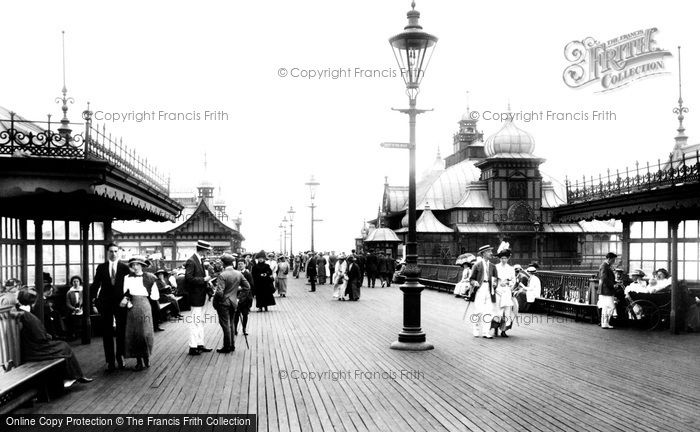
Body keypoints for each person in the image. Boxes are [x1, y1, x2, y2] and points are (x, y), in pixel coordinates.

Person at [15, 288, 93, 388]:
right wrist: (47, 335)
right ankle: (72, 377)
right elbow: (40, 337)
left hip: (30, 346)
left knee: (63, 346)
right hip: (36, 349)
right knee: (64, 346)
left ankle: (74, 376)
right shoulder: (28, 316)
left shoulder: (22, 313)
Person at [91, 242, 131, 372]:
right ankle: (110, 361)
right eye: (111, 251)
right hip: (105, 303)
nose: (113, 254)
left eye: (115, 251)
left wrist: (126, 298)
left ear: (118, 252)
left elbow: (130, 287)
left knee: (121, 331)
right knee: (107, 332)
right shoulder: (101, 268)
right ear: (107, 253)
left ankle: (120, 357)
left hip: (121, 304)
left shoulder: (125, 268)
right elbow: (96, 285)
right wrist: (93, 302)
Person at [121, 256, 159, 371]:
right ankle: (138, 361)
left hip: (144, 305)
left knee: (145, 333)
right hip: (132, 306)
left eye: (138, 264)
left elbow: (155, 296)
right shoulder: (127, 278)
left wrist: (145, 296)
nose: (135, 267)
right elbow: (125, 293)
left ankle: (146, 357)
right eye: (133, 265)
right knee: (134, 333)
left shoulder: (150, 277)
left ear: (142, 265)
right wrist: (127, 302)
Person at [213, 254, 251, 353]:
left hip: (223, 303)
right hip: (234, 302)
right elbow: (247, 287)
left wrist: (215, 301)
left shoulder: (223, 275)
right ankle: (232, 345)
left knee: (225, 324)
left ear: (223, 263)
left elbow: (220, 292)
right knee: (231, 323)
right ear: (232, 263)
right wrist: (239, 299)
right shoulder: (238, 273)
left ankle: (226, 347)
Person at [184, 240, 214, 356]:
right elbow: (188, 278)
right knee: (195, 322)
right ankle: (193, 346)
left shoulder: (198, 260)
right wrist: (204, 280)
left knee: (200, 321)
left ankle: (199, 344)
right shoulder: (192, 261)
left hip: (200, 296)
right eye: (207, 250)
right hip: (196, 296)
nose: (208, 252)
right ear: (202, 249)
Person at [469, 245, 498, 338]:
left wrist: (495, 284)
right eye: (489, 251)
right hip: (480, 289)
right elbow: (471, 279)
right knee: (478, 310)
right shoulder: (477, 265)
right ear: (483, 253)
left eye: (490, 251)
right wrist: (475, 283)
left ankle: (486, 332)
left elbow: (496, 279)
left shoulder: (493, 266)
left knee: (489, 311)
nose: (491, 253)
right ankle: (476, 329)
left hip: (489, 289)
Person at [494, 243, 516, 337]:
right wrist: (496, 283)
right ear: (499, 258)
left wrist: (508, 283)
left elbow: (513, 280)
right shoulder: (496, 267)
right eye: (502, 258)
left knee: (507, 310)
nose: (503, 260)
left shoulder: (511, 269)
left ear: (508, 259)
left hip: (506, 290)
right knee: (497, 310)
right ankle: (495, 328)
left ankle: (504, 330)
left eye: (505, 258)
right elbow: (493, 279)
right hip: (498, 290)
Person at [597, 252, 618, 329]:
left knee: (606, 307)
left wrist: (615, 282)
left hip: (605, 289)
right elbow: (604, 278)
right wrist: (613, 285)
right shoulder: (604, 266)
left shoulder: (606, 266)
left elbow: (607, 278)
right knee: (611, 307)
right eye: (613, 259)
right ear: (609, 259)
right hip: (606, 290)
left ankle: (604, 323)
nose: (614, 261)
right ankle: (605, 322)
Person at [235, 260, 254, 336]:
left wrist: (242, 288)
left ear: (245, 265)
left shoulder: (248, 274)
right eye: (239, 264)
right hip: (237, 297)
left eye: (241, 264)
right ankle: (235, 329)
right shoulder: (235, 273)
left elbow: (251, 285)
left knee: (245, 314)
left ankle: (244, 329)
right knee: (236, 314)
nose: (240, 265)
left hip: (246, 297)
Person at [65, 276, 84, 341]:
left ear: (80, 282)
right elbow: (67, 303)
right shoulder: (69, 292)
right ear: (72, 283)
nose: (76, 283)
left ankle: (83, 333)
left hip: (82, 308)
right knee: (71, 318)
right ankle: (73, 334)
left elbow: (86, 301)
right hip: (73, 309)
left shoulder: (83, 291)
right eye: (74, 281)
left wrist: (81, 308)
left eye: (77, 281)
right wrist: (73, 308)